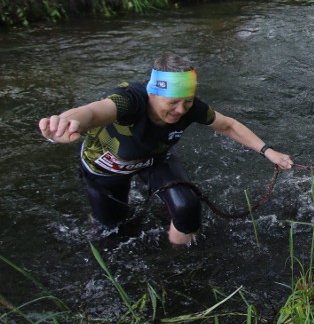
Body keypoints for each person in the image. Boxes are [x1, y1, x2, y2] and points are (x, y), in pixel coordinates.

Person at [38, 52, 293, 245]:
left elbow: (228, 125)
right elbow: (93, 112)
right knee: (111, 230)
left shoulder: (191, 108)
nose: (181, 110)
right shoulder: (129, 100)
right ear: (153, 93)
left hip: (154, 160)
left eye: (188, 101)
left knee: (187, 208)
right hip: (105, 171)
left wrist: (268, 151)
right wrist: (67, 121)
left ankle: (177, 260)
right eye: (173, 102)